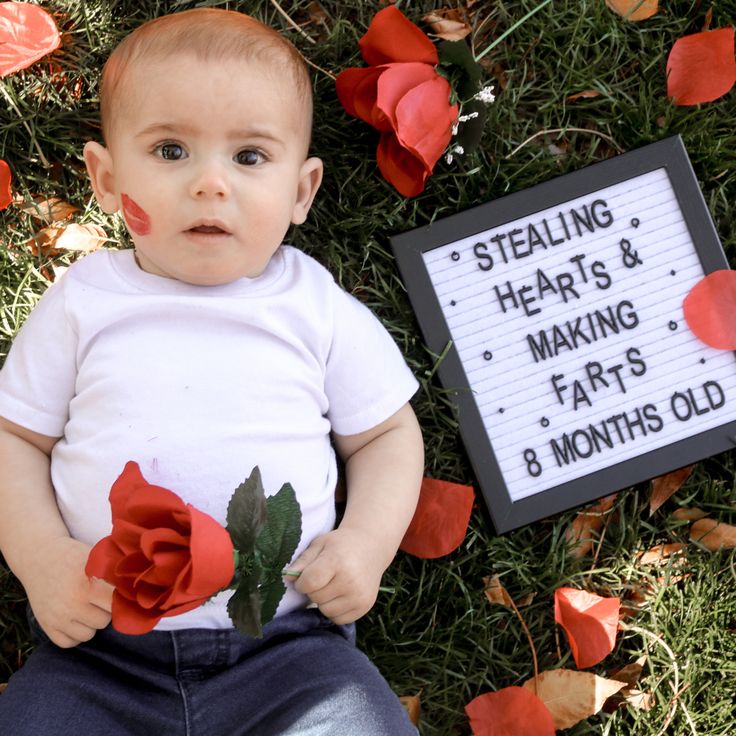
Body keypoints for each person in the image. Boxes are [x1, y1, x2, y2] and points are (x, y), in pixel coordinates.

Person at [0, 8, 424, 735]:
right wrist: (42, 560)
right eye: (170, 150)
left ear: (302, 189)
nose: (209, 184)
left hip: (291, 654)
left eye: (250, 158)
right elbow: (13, 441)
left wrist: (364, 547)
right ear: (105, 178)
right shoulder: (84, 302)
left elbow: (386, 436)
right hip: (98, 659)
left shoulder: (313, 306)